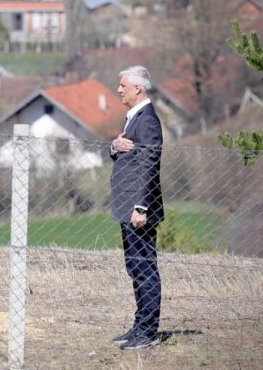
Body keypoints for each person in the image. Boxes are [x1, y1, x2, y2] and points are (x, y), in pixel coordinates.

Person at [109, 65, 164, 350]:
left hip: (138, 210)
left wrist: (141, 207)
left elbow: (149, 165)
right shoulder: (134, 118)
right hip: (128, 207)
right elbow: (125, 152)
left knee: (144, 268)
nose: (119, 89)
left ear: (137, 89)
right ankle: (139, 326)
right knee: (135, 267)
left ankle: (149, 331)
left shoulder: (148, 120)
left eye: (123, 85)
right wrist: (114, 146)